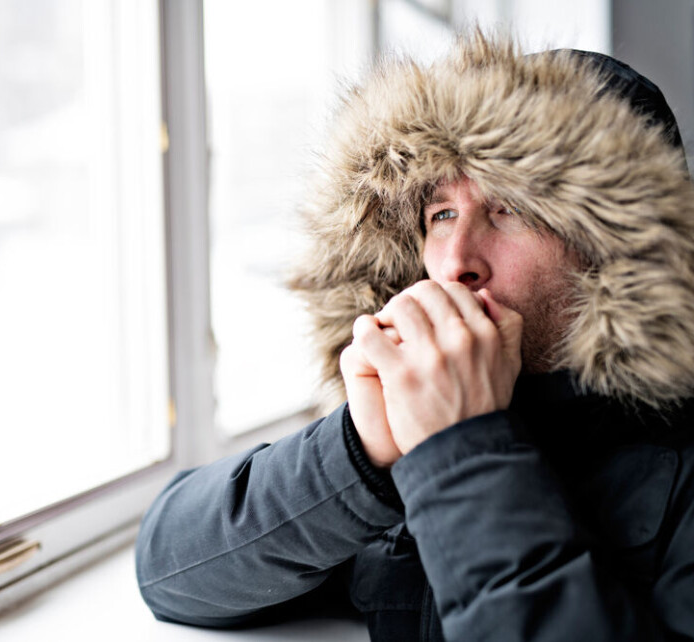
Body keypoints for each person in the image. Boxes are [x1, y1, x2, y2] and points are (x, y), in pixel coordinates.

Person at [135, 31, 694, 641]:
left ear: (611, 246)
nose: (456, 260)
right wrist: (358, 452)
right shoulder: (404, 411)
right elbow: (170, 570)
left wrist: (461, 449)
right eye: (440, 214)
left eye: (510, 209)